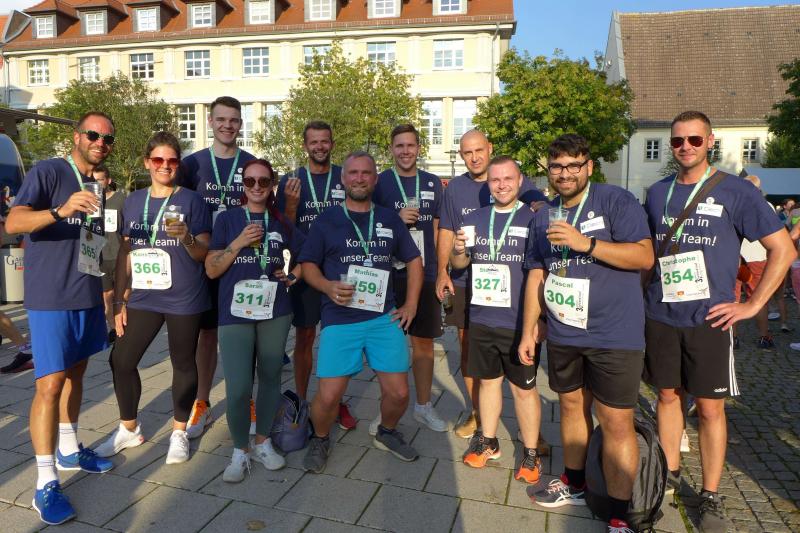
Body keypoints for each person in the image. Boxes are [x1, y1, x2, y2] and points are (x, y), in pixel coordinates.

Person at [643, 111, 794, 533]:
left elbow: (783, 249)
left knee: (710, 408)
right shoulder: (657, 192)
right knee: (667, 397)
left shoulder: (736, 191)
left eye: (694, 139)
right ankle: (669, 477)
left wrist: (752, 305)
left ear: (710, 141)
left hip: (709, 318)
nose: (685, 147)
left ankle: (710, 494)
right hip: (661, 313)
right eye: (677, 141)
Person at [519, 135, 653, 532]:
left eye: (573, 165)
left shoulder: (616, 201)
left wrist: (587, 244)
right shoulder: (543, 216)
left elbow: (644, 256)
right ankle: (574, 484)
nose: (564, 173)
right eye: (556, 166)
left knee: (615, 422)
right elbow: (537, 275)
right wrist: (528, 330)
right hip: (565, 331)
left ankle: (620, 515)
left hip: (615, 334)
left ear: (588, 167)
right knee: (572, 408)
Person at [6, 111, 116, 525]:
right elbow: (14, 222)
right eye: (93, 135)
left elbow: (93, 242)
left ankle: (69, 448)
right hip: (50, 296)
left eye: (107, 139)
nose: (100, 143)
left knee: (76, 373)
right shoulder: (49, 171)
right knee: (49, 385)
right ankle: (45, 482)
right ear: (77, 137)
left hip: (85, 291)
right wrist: (60, 210)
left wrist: (106, 291)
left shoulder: (96, 185)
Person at [299, 151, 423, 473]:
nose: (359, 178)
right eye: (353, 173)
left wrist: (411, 304)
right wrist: (326, 286)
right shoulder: (327, 220)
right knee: (329, 397)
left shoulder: (388, 218)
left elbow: (413, 259)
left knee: (399, 393)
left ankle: (387, 431)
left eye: (366, 173)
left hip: (383, 317)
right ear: (343, 178)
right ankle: (320, 437)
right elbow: (308, 264)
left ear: (375, 179)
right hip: (340, 318)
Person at [95, 132, 211, 465]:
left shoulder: (192, 201)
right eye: (158, 159)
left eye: (172, 160)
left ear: (178, 164)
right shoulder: (133, 201)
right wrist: (120, 301)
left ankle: (179, 431)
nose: (165, 166)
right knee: (121, 359)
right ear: (147, 162)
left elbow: (203, 253)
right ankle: (129, 428)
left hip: (184, 296)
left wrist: (187, 237)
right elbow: (126, 252)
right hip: (144, 295)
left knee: (183, 363)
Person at [436, 129, 547, 442]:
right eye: (467, 152)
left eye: (479, 150)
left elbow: (542, 212)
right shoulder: (456, 188)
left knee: (521, 361)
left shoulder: (510, 179)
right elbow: (447, 230)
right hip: (466, 281)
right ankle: (478, 416)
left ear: (489, 148)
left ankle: (531, 432)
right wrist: (443, 270)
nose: (474, 157)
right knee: (470, 350)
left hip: (513, 286)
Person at [205, 159, 304, 481]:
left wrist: (293, 275)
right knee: (238, 387)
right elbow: (211, 270)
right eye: (250, 181)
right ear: (243, 185)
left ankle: (262, 442)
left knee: (271, 377)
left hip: (275, 310)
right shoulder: (228, 219)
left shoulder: (281, 222)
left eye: (264, 181)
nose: (257, 187)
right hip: (234, 312)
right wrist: (238, 243)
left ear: (273, 184)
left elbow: (307, 255)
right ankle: (239, 450)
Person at [449, 156, 543, 484]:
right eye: (495, 180)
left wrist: (539, 321)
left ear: (520, 181)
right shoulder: (475, 219)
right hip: (482, 317)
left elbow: (542, 273)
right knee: (488, 382)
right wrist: (458, 250)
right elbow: (459, 264)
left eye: (508, 179)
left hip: (518, 321)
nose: (501, 185)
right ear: (488, 183)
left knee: (523, 390)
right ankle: (488, 441)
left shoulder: (534, 219)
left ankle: (531, 453)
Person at [179, 96, 256, 440]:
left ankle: (246, 399)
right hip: (203, 263)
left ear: (240, 124)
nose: (227, 125)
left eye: (234, 120)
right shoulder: (192, 164)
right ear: (210, 121)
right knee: (207, 335)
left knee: (247, 334)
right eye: (221, 119)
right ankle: (202, 402)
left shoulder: (251, 164)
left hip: (242, 263)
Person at [276, 121, 355, 429]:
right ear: (305, 145)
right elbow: (284, 230)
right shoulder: (291, 180)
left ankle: (336, 400)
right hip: (305, 269)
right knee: (305, 336)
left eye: (325, 141)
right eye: (314, 142)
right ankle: (302, 399)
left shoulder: (345, 176)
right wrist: (292, 206)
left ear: (332, 144)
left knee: (341, 338)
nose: (320, 146)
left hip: (340, 268)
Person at [371, 124, 446, 433]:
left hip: (424, 272)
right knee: (388, 345)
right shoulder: (380, 182)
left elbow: (439, 228)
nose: (405, 151)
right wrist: (394, 219)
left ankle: (423, 406)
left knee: (423, 343)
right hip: (389, 273)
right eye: (399, 146)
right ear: (391, 149)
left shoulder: (432, 182)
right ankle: (386, 408)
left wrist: (442, 269)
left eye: (410, 145)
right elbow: (370, 223)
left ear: (418, 148)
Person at [92, 164, 125, 344]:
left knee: (124, 295)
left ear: (108, 180)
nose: (97, 184)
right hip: (101, 256)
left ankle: (124, 324)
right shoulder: (89, 201)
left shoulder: (121, 199)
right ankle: (113, 329)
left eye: (100, 180)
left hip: (120, 254)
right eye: (94, 180)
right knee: (107, 296)